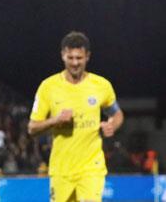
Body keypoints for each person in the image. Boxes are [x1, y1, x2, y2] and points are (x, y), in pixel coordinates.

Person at [28, 31, 124, 202]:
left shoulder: (101, 85)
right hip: (61, 170)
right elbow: (32, 128)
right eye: (70, 57)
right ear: (62, 56)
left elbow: (116, 113)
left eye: (79, 58)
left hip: (91, 168)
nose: (74, 63)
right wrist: (55, 120)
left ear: (88, 56)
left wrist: (112, 125)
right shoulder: (48, 87)